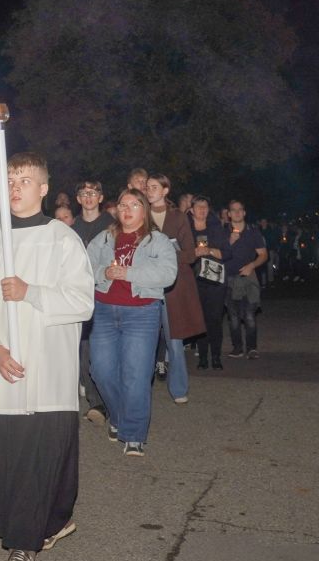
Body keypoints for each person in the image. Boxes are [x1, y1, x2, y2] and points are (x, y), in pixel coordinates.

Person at [0, 152, 94, 561]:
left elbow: (83, 302)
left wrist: (31, 292)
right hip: (3, 367)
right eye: (11, 179)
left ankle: (34, 535)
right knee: (11, 461)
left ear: (44, 189)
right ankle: (22, 538)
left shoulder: (62, 239)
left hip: (48, 368)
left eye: (26, 180)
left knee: (47, 458)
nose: (16, 187)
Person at [85, 188, 177, 458]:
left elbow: (168, 274)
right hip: (102, 310)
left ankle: (134, 433)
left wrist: (129, 273)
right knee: (100, 370)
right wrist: (104, 272)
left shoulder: (156, 241)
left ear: (144, 210)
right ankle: (117, 416)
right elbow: (83, 267)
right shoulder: (104, 238)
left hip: (141, 313)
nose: (126, 210)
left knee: (136, 375)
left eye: (133, 205)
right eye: (122, 205)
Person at [144, 174, 205, 404]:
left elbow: (190, 253)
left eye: (154, 187)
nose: (149, 191)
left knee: (174, 338)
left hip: (174, 287)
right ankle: (141, 388)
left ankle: (179, 388)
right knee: (144, 339)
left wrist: (166, 251)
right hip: (147, 284)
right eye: (147, 187)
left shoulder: (178, 217)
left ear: (165, 190)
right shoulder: (141, 214)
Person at [68, 180, 114, 425]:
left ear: (100, 197)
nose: (88, 197)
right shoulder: (71, 228)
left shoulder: (110, 226)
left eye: (93, 193)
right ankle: (96, 403)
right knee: (84, 350)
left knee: (103, 353)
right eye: (83, 193)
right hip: (80, 294)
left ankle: (111, 401)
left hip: (106, 294)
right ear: (78, 198)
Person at [187, 196, 230, 370]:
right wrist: (194, 252)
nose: (202, 210)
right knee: (200, 320)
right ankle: (203, 358)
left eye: (205, 206)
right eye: (198, 206)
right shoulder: (186, 229)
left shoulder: (216, 228)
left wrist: (210, 250)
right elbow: (181, 253)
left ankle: (216, 357)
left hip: (215, 281)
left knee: (214, 319)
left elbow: (227, 253)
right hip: (194, 281)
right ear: (192, 210)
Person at [222, 201, 268, 360]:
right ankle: (237, 348)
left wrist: (252, 265)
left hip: (248, 279)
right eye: (233, 210)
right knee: (233, 316)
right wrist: (229, 242)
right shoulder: (222, 232)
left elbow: (263, 254)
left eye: (240, 210)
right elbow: (216, 254)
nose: (236, 213)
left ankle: (252, 348)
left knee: (249, 315)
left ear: (244, 212)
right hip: (229, 279)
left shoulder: (253, 231)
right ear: (228, 213)